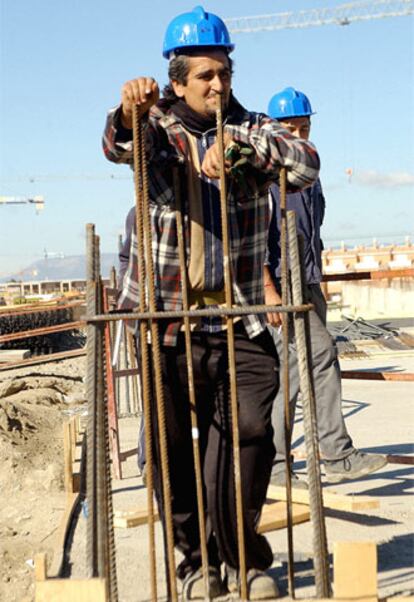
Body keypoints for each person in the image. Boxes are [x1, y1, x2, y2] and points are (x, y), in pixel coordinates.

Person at [103, 8, 320, 599]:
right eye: (205, 76)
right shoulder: (157, 129)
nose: (219, 85)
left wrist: (242, 152)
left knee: (252, 435)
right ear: (177, 81)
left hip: (241, 317)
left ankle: (244, 558)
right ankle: (195, 563)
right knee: (172, 453)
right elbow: (120, 146)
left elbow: (304, 164)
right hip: (165, 320)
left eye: (224, 72)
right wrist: (129, 111)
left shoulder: (252, 126)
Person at [264, 87, 387, 488]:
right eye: (291, 129)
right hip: (283, 285)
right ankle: (335, 453)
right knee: (320, 356)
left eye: (305, 127)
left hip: (308, 282)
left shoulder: (309, 178)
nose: (299, 137)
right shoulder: (263, 180)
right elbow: (250, 244)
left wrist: (315, 283)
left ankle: (278, 464)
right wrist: (269, 292)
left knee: (294, 372)